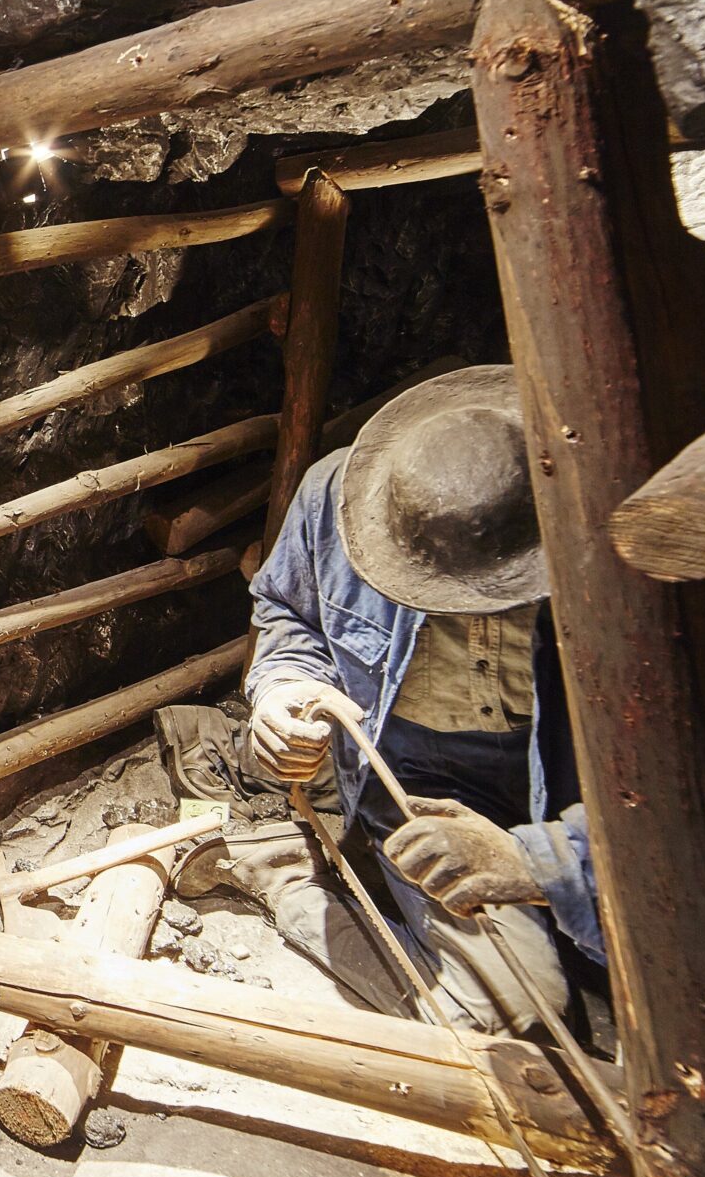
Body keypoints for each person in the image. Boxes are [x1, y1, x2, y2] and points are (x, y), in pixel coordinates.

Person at [242, 364, 603, 1034]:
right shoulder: (335, 504)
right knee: (519, 1017)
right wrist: (283, 688)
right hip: (422, 783)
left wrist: (541, 861)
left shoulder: (603, 521)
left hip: (573, 788)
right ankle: (291, 882)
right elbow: (288, 611)